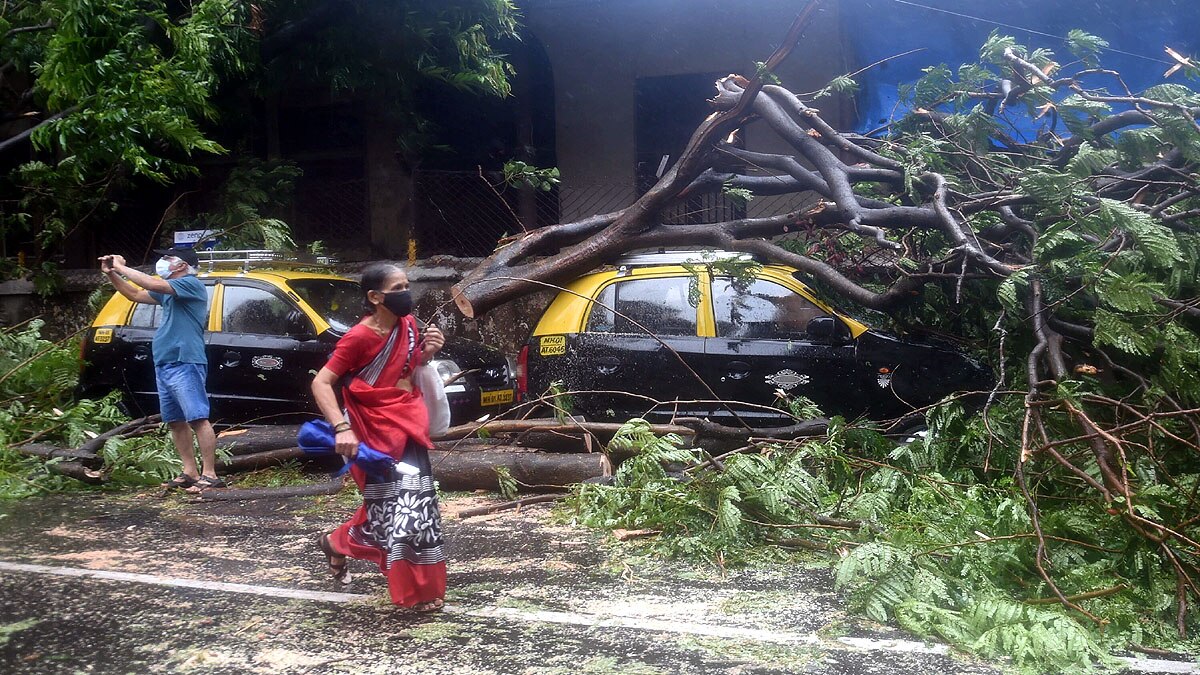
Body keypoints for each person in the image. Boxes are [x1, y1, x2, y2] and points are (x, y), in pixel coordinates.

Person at [310, 262, 447, 612]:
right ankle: (413, 592)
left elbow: (406, 367)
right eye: (398, 288)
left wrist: (427, 354)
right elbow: (322, 382)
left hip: (408, 425)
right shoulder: (358, 336)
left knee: (417, 507)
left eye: (406, 286)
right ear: (375, 296)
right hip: (373, 432)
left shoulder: (409, 326)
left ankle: (337, 543)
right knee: (397, 508)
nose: (406, 293)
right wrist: (342, 429)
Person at [99, 248, 222, 491]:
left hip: (185, 359)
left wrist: (122, 266)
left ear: (182, 265)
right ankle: (190, 472)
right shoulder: (170, 292)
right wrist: (112, 274)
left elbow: (149, 282)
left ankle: (210, 475)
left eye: (168, 258)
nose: (163, 262)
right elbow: (134, 293)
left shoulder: (190, 284)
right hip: (165, 362)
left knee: (197, 418)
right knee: (175, 421)